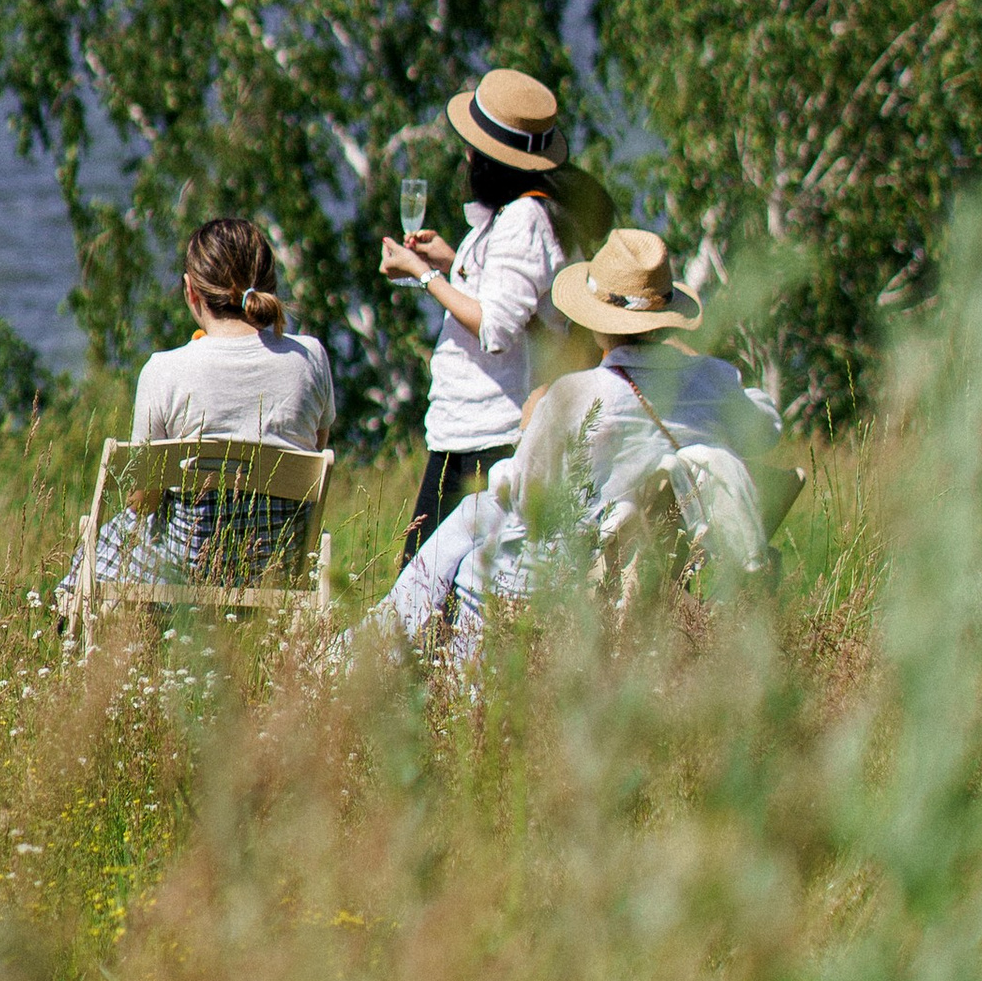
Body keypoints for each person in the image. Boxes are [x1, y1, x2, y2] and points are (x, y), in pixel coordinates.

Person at [365, 229, 784, 663]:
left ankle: (384, 642)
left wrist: (529, 426)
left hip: (578, 577)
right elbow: (768, 426)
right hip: (661, 571)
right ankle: (383, 634)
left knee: (480, 515)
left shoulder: (577, 395)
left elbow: (524, 501)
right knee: (476, 514)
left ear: (597, 320)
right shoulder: (713, 380)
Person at [64, 216, 335, 607]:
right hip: (278, 561)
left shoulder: (164, 370)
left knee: (113, 533)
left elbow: (144, 500)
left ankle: (69, 627)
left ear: (191, 291)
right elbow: (313, 456)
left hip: (188, 567)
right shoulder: (311, 358)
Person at [378, 67, 572, 565]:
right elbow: (506, 295)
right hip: (466, 427)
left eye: (473, 148)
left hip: (492, 432)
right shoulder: (512, 218)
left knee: (436, 584)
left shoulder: (523, 220)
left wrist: (425, 275)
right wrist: (450, 260)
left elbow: (496, 327)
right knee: (427, 579)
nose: (465, 156)